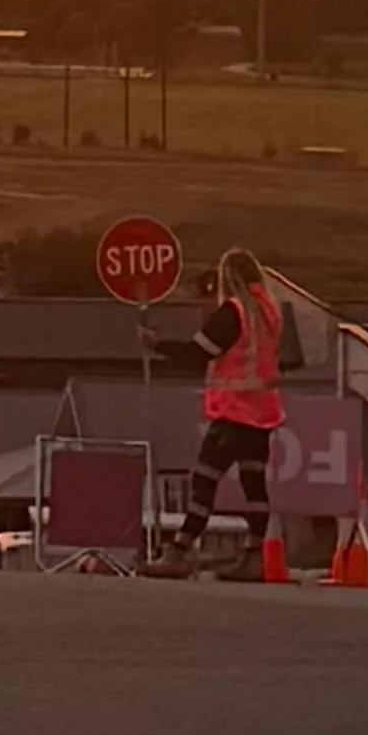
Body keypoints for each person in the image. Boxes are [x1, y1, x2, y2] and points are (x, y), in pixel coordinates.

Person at [142, 246, 285, 582]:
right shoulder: (270, 312)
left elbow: (197, 352)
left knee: (204, 480)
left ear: (228, 278)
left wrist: (156, 345)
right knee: (254, 484)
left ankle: (180, 550)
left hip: (234, 411)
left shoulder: (234, 312)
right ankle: (254, 555)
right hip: (263, 411)